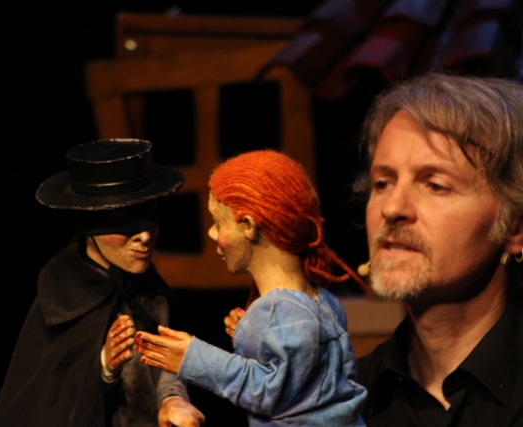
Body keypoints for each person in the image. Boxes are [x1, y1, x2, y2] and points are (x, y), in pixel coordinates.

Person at [136, 150, 367, 426]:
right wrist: (257, 336)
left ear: (248, 226)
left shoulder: (283, 311)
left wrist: (194, 358)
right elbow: (310, 382)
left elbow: (269, 391)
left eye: (218, 222)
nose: (212, 233)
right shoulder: (324, 300)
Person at [0, 139, 205, 427]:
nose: (144, 237)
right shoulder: (63, 297)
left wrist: (173, 398)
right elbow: (45, 401)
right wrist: (104, 367)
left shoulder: (150, 288)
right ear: (89, 225)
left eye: (150, 215)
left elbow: (164, 363)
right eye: (123, 222)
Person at [354, 73, 523, 426]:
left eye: (435, 185)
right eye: (382, 182)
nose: (392, 208)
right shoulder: (346, 398)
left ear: (514, 227)